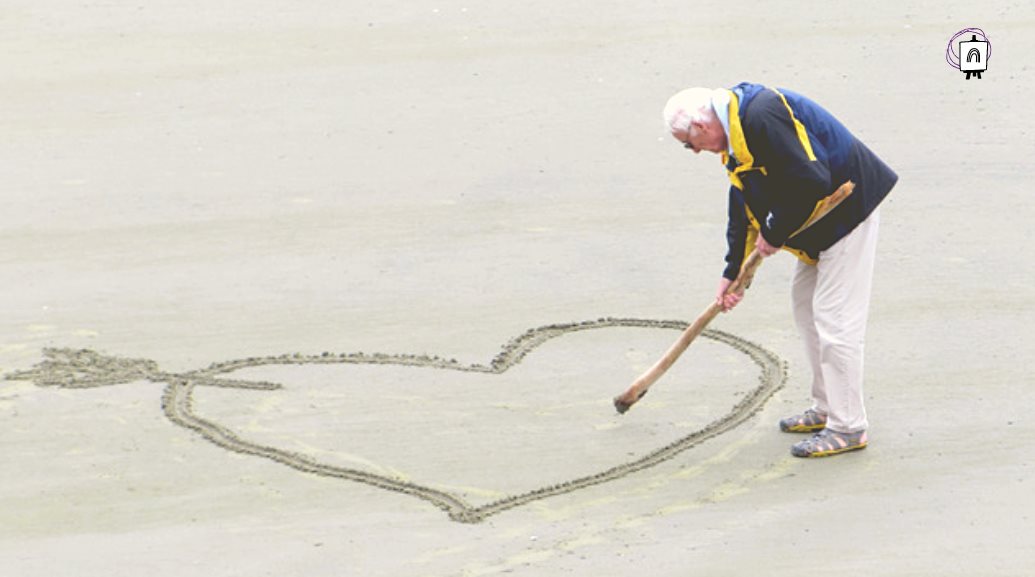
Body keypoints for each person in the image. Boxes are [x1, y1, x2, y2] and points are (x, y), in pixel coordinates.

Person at [662, 83, 897, 458]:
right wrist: (733, 272)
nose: (693, 152)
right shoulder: (735, 137)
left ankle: (848, 426)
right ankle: (827, 408)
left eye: (688, 144)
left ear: (702, 127)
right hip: (819, 225)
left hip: (849, 212)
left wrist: (774, 233)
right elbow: (743, 200)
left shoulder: (760, 115)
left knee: (835, 320)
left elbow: (812, 179)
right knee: (805, 307)